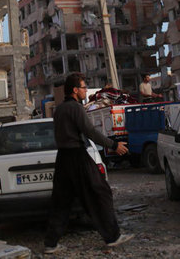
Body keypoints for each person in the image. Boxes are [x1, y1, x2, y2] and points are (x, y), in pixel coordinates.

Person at [44, 73, 133, 254]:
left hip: (62, 158)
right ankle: (113, 237)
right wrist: (114, 145)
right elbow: (90, 132)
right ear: (75, 90)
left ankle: (50, 244)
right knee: (100, 193)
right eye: (84, 87)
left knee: (61, 202)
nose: (86, 91)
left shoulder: (59, 109)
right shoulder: (76, 108)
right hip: (77, 157)